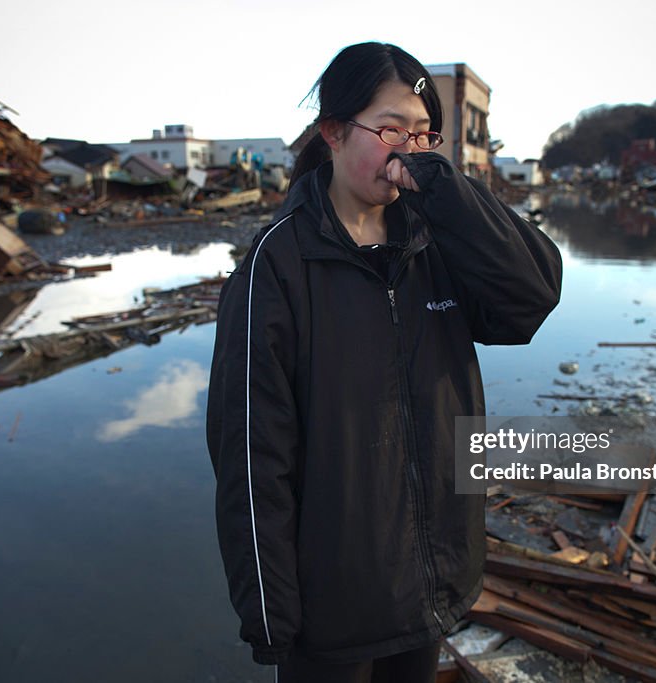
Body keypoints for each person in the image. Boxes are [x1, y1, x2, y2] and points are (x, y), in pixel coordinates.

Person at [207, 42, 562, 682]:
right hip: (331, 611)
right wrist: (270, 609)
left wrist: (446, 189)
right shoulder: (277, 266)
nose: (407, 151)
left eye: (423, 136)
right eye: (391, 129)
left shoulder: (436, 246)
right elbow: (252, 453)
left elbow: (530, 300)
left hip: (429, 587)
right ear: (334, 132)